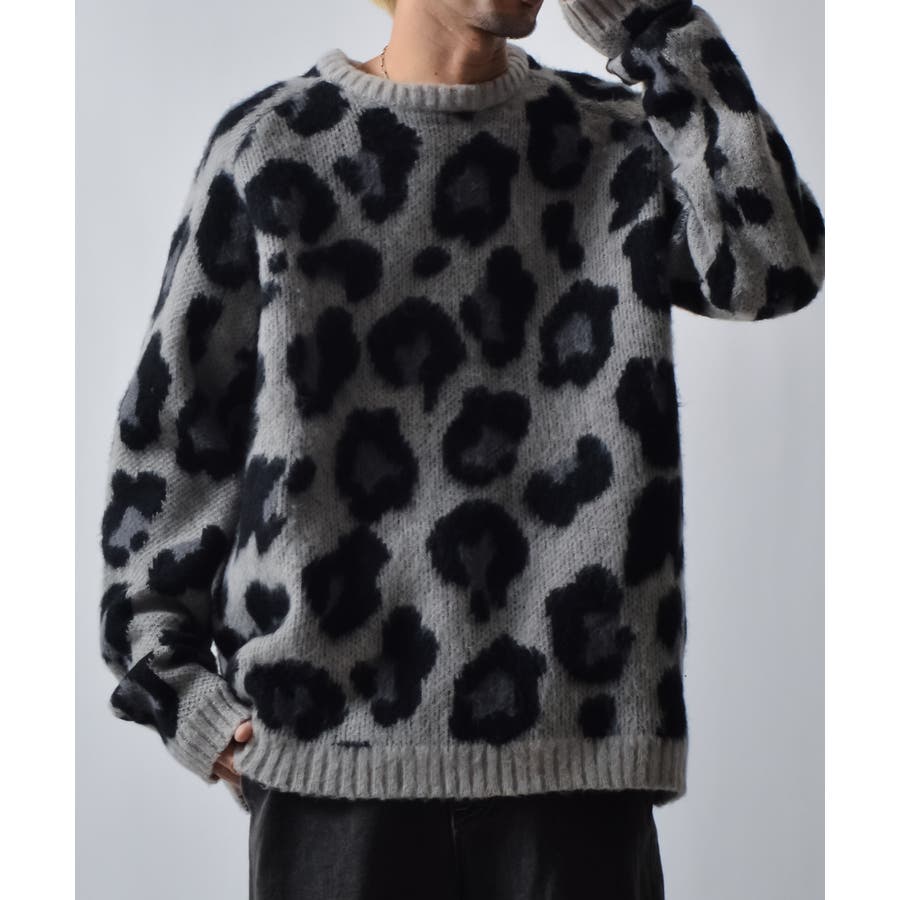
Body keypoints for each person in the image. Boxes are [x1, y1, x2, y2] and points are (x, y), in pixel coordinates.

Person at [97, 0, 824, 897]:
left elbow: (772, 265)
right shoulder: (273, 149)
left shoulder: (615, 140)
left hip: (577, 770)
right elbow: (174, 437)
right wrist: (180, 693)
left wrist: (652, 27)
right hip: (329, 777)